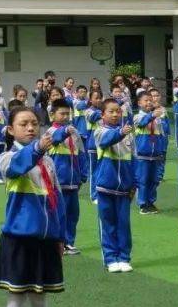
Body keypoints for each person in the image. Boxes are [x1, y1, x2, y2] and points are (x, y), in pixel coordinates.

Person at [0, 106, 65, 307]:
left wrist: (60, 236)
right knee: (16, 295)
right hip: (18, 237)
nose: (31, 128)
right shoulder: (7, 157)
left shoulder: (48, 161)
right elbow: (17, 168)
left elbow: (57, 201)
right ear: (11, 130)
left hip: (45, 239)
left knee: (40, 296)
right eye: (23, 124)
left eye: (34, 123)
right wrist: (37, 150)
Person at [94, 98, 137, 273]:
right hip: (105, 186)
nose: (115, 114)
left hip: (124, 188)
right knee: (108, 223)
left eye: (118, 111)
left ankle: (124, 257)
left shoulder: (129, 135)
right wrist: (120, 132)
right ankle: (111, 257)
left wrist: (134, 183)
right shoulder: (100, 131)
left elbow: (134, 159)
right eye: (111, 111)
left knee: (124, 224)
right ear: (103, 114)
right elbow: (105, 141)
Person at [46, 100, 88, 255]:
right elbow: (55, 139)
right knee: (58, 213)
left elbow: (81, 154)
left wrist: (83, 174)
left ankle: (69, 242)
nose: (65, 117)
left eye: (67, 114)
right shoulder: (50, 132)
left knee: (73, 214)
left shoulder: (74, 132)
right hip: (58, 182)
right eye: (61, 114)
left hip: (73, 181)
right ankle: (58, 242)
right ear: (52, 115)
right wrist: (65, 132)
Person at [133, 91, 166, 214]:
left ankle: (151, 202)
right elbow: (142, 123)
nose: (148, 102)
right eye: (145, 100)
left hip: (156, 154)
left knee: (154, 180)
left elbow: (162, 134)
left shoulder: (157, 118)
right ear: (139, 103)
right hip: (143, 155)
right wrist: (152, 115)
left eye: (150, 100)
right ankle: (143, 204)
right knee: (143, 180)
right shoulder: (137, 117)